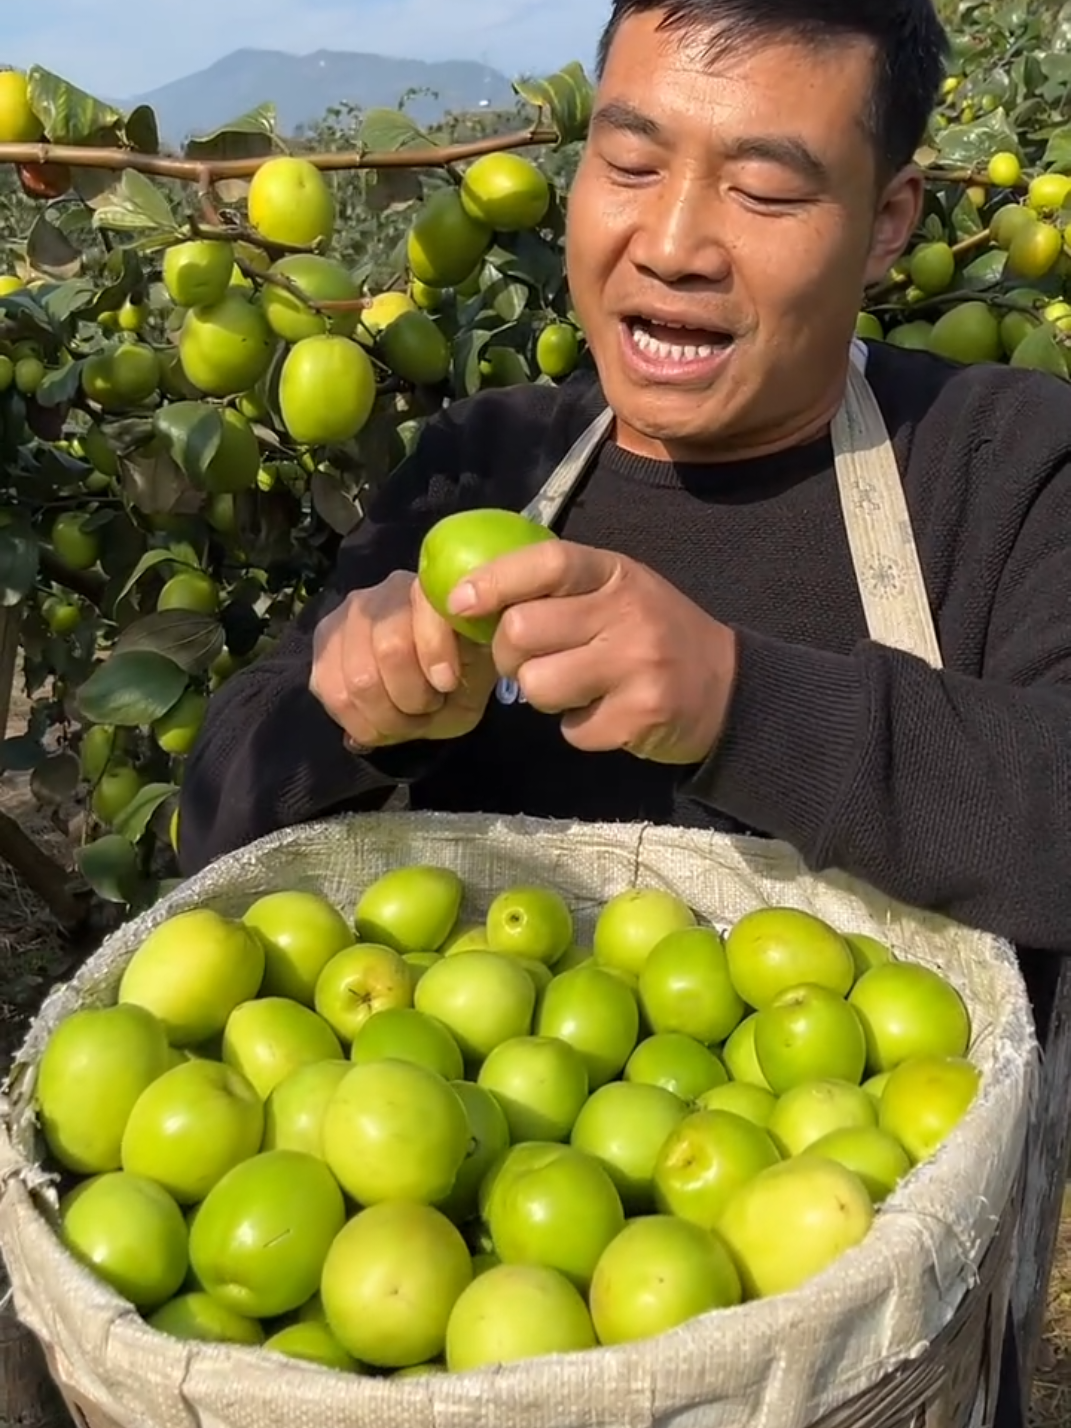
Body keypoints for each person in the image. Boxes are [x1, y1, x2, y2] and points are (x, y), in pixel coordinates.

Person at [180, 4, 1067, 1406]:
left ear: (889, 220)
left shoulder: (999, 464)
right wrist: (335, 709)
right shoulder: (482, 463)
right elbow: (214, 828)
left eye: (765, 186)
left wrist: (738, 699)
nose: (671, 242)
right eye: (630, 161)